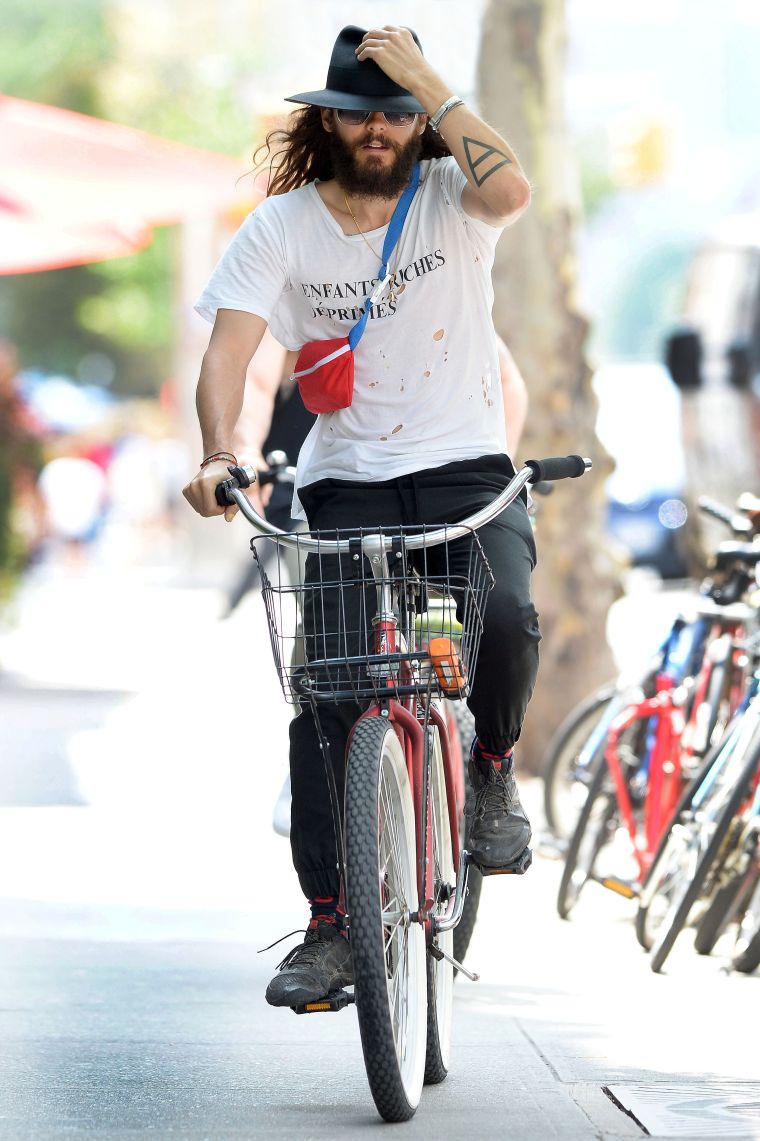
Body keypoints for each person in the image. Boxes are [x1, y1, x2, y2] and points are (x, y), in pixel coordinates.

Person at [184, 24, 539, 1008]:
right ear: (328, 122)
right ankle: (333, 922)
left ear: (418, 119)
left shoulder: (452, 199)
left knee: (505, 620)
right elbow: (232, 352)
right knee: (327, 701)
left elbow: (512, 188)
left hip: (466, 469)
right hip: (342, 485)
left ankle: (494, 771)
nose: (377, 127)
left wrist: (431, 82)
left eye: (396, 111)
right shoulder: (281, 226)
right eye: (359, 112)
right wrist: (219, 453)